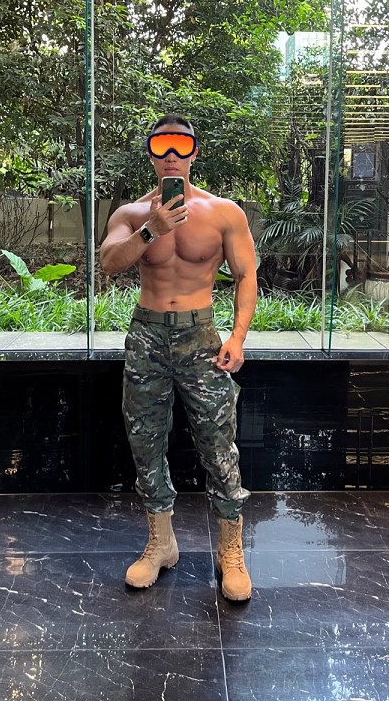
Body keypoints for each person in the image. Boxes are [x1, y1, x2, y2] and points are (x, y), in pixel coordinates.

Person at [100, 113, 257, 601]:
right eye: (162, 145)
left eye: (181, 145)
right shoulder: (131, 214)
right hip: (147, 336)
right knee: (145, 442)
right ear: (151, 153)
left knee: (218, 444)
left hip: (200, 336)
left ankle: (230, 550)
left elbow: (246, 275)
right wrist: (152, 229)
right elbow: (108, 264)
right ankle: (161, 543)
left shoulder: (224, 212)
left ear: (193, 152)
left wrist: (238, 337)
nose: (171, 154)